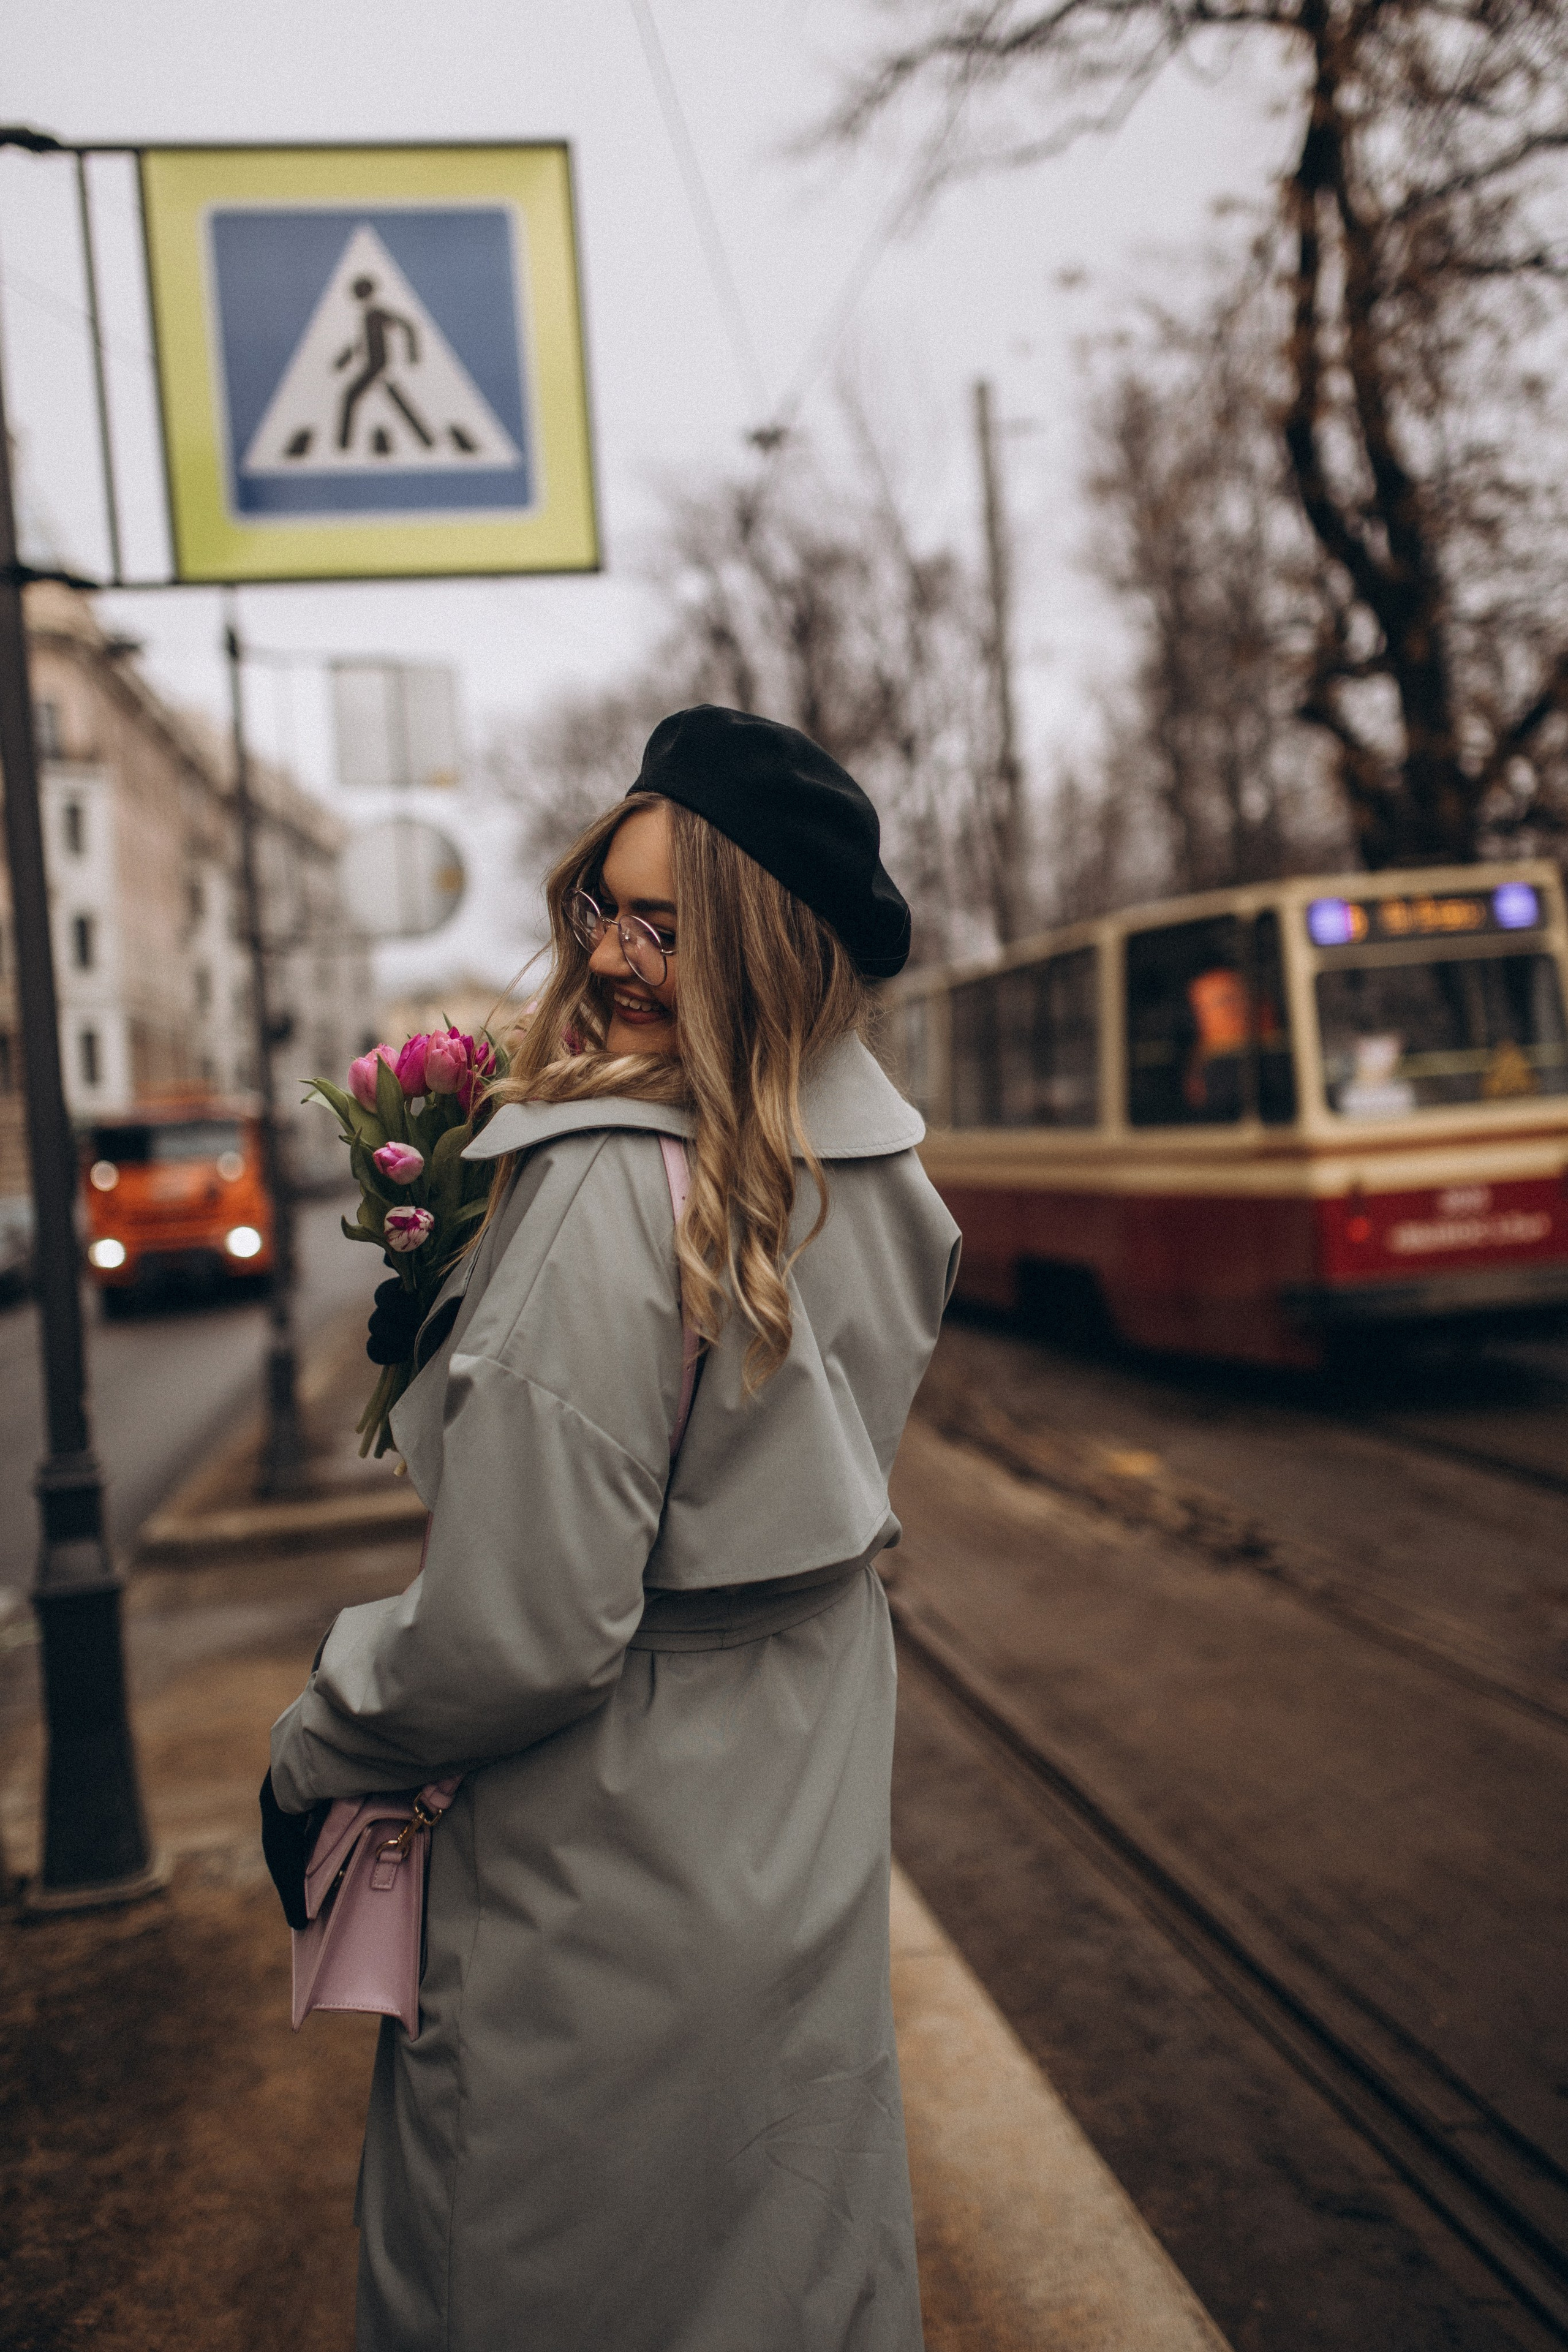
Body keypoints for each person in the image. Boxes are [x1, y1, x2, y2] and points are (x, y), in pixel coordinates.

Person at [265, 705, 961, 2352]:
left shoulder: (605, 1180)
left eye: (670, 926)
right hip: (793, 1814)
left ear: (766, 948)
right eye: (604, 909)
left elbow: (521, 1634)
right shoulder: (877, 1168)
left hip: (601, 1868)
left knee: (534, 2273)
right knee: (780, 2256)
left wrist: (323, 1731)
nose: (616, 959)